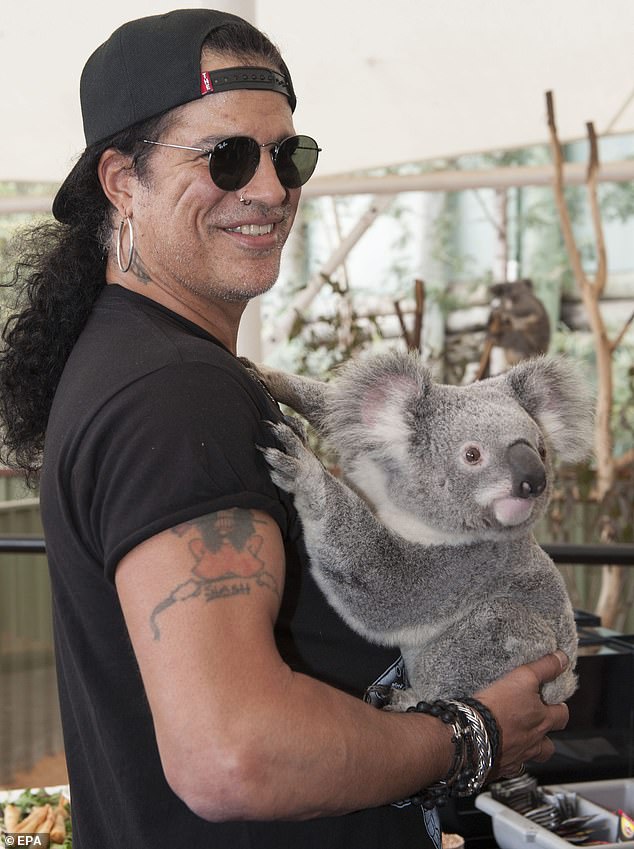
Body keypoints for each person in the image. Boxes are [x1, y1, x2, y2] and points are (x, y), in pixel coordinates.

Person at [0, 9, 570, 849]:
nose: (267, 189)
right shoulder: (174, 397)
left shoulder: (142, 364)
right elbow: (234, 753)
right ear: (122, 181)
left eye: (287, 155)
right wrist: (471, 734)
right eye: (226, 157)